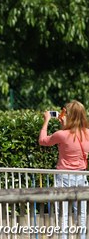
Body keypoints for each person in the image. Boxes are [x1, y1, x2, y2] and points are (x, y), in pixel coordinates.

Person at [39, 100, 89, 239]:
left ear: (69, 115)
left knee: (63, 215)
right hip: (81, 177)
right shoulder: (87, 133)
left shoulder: (61, 134)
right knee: (81, 214)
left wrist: (46, 120)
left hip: (63, 178)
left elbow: (43, 140)